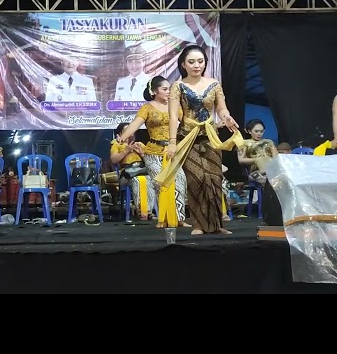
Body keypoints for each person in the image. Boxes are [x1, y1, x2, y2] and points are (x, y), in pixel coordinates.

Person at [155, 44, 244, 235]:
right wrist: (172, 142)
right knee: (197, 179)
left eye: (200, 61)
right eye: (191, 62)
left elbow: (221, 108)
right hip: (187, 137)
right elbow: (173, 116)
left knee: (215, 179)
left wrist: (226, 117)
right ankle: (198, 224)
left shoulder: (214, 84)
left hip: (211, 136)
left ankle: (217, 225)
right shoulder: (178, 86)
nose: (197, 65)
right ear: (183, 65)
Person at [115, 75, 191, 227]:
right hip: (153, 151)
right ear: (154, 91)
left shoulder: (175, 106)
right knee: (161, 184)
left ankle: (179, 218)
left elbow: (187, 123)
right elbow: (135, 123)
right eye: (165, 89)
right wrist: (123, 137)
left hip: (172, 150)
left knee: (180, 182)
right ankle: (163, 219)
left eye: (169, 89)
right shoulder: (147, 108)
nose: (168, 91)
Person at [109, 123, 149, 219]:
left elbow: (150, 163)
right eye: (127, 131)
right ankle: (142, 211)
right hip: (126, 174)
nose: (130, 134)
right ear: (120, 133)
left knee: (150, 179)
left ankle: (149, 211)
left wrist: (142, 154)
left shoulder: (139, 145)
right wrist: (126, 151)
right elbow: (113, 160)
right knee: (137, 180)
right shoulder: (117, 144)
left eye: (132, 131)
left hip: (141, 170)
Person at [237, 119, 278, 187]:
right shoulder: (244, 143)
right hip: (255, 172)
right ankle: (267, 196)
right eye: (256, 131)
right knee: (267, 181)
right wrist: (257, 160)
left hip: (271, 170)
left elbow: (276, 157)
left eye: (261, 131)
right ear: (249, 131)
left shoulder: (269, 142)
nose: (259, 134)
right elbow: (241, 160)